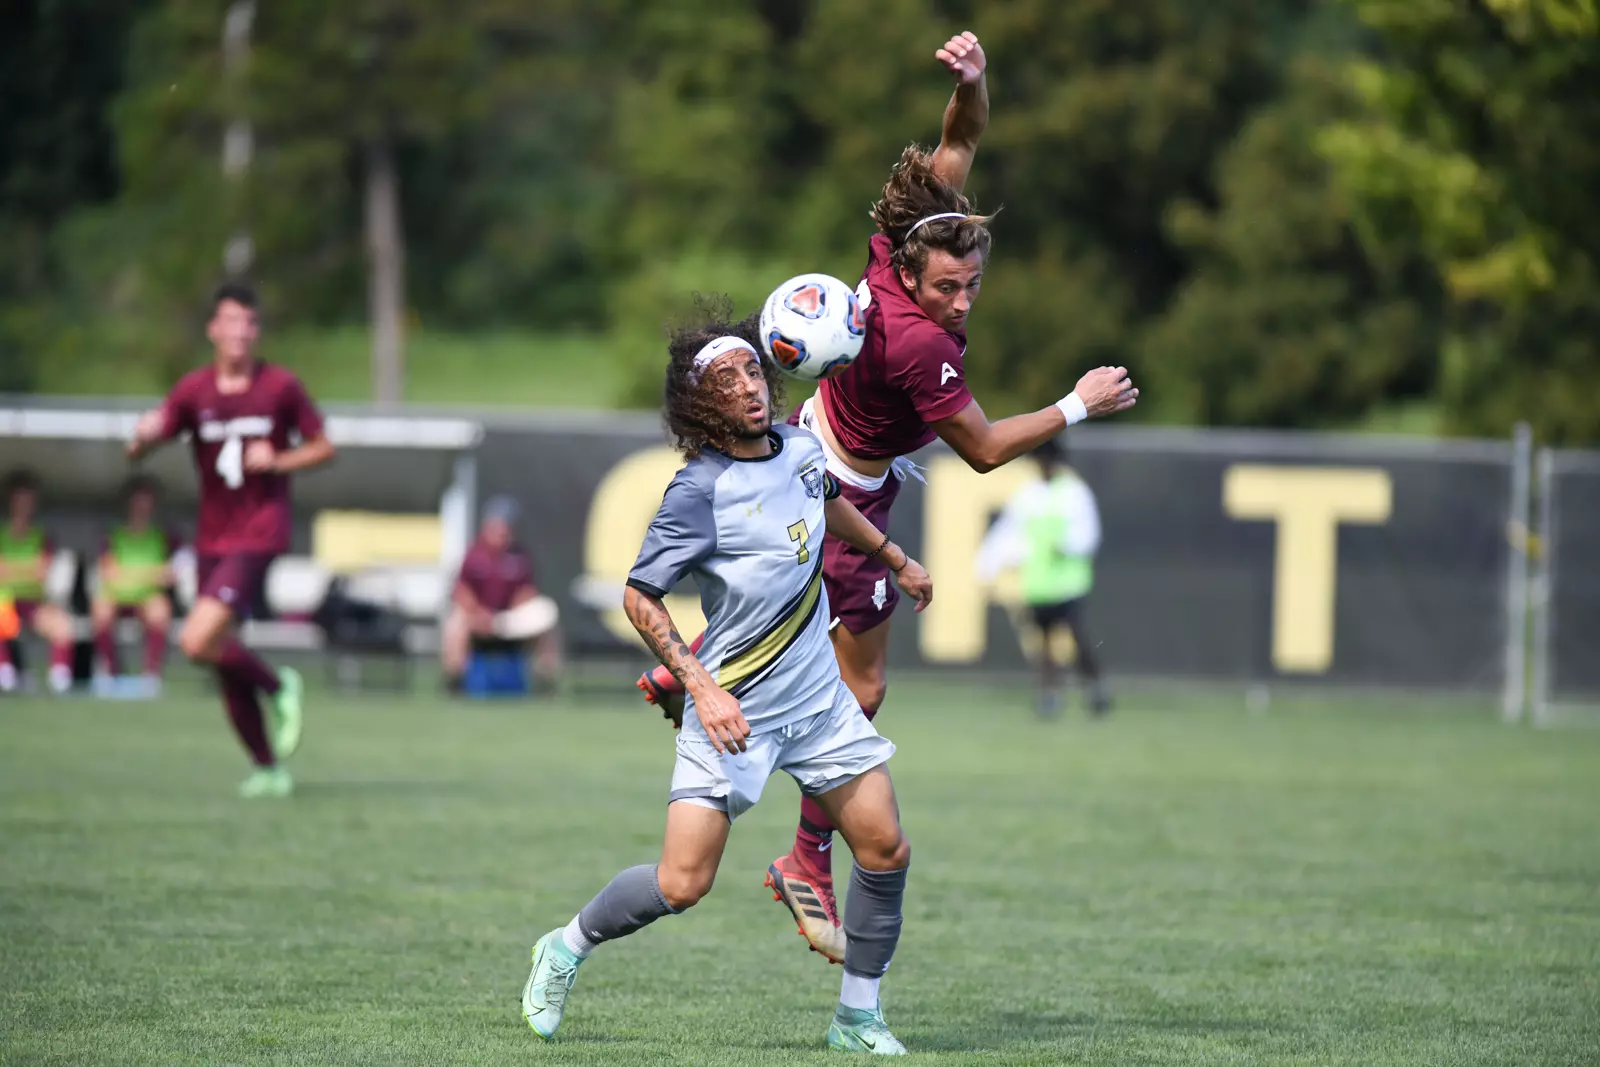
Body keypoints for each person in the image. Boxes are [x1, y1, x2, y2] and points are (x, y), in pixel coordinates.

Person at [635, 30, 1139, 961]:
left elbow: (960, 143)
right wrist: (1079, 402)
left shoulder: (897, 246)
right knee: (860, 685)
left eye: (973, 283)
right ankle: (804, 858)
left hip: (815, 442)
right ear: (910, 276)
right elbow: (983, 451)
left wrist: (975, 82)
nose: (964, 300)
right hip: (846, 489)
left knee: (820, 652)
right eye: (949, 286)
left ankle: (692, 665)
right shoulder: (917, 344)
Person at [520, 311, 933, 1054]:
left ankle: (857, 1017)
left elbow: (826, 501)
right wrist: (703, 690)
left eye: (751, 370)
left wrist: (894, 556)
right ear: (701, 408)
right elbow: (640, 598)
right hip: (734, 712)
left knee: (885, 847)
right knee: (682, 883)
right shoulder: (698, 491)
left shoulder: (802, 447)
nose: (748, 387)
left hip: (818, 702)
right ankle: (565, 945)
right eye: (726, 381)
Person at [127, 282, 336, 798]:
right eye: (232, 321)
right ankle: (268, 769)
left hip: (259, 533)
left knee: (196, 641)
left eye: (250, 322)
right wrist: (142, 438)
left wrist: (279, 459)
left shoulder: (280, 387)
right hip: (212, 541)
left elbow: (324, 446)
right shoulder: (194, 391)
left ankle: (279, 686)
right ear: (213, 330)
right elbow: (142, 446)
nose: (242, 331)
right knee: (221, 658)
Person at [976, 437, 1109, 718]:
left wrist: (1069, 546)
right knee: (1044, 644)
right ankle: (1050, 694)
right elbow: (1009, 533)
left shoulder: (1074, 493)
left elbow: (1088, 533)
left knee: (1076, 637)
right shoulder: (1028, 495)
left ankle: (1094, 687)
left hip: (1069, 582)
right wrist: (989, 567)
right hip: (1038, 584)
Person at [442, 495, 562, 692]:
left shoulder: (519, 556)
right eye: (498, 526)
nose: (503, 532)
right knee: (455, 623)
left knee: (547, 623)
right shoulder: (474, 555)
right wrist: (479, 615)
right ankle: (456, 680)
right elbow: (462, 592)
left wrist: (508, 616)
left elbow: (526, 592)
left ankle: (544, 680)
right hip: (477, 618)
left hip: (507, 620)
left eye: (507, 526)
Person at [90, 475, 179, 695]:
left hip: (147, 596)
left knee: (160, 611)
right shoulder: (114, 534)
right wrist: (150, 573)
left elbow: (170, 574)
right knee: (101, 610)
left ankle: (151, 674)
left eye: (146, 502)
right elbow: (108, 572)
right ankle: (111, 672)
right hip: (117, 594)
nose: (142, 508)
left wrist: (130, 574)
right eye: (138, 501)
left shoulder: (163, 535)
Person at [0, 470, 75, 694]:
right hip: (5, 601)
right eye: (19, 500)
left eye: (28, 501)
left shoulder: (42, 536)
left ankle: (59, 679)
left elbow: (42, 572)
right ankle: (6, 674)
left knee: (62, 625)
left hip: (34, 603)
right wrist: (27, 569)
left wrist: (12, 569)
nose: (24, 506)